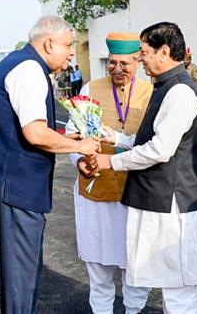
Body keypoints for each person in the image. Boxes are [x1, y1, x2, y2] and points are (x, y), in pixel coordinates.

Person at [0, 15, 101, 314]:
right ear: (48, 43)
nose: (71, 52)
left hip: (13, 184)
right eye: (68, 45)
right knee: (21, 276)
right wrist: (80, 146)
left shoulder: (19, 63)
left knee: (21, 272)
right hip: (17, 187)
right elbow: (35, 133)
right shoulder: (29, 70)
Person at [95, 22, 197, 313]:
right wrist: (116, 138)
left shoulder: (180, 92)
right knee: (170, 285)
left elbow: (160, 150)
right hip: (159, 201)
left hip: (172, 204)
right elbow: (153, 139)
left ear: (164, 52)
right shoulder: (166, 86)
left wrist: (111, 160)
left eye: (143, 52)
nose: (139, 59)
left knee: (178, 289)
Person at [67, 32, 152, 314]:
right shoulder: (90, 89)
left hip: (137, 192)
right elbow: (72, 134)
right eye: (112, 63)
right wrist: (79, 159)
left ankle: (134, 310)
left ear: (138, 61)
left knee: (136, 263)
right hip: (97, 190)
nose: (117, 69)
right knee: (99, 264)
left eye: (124, 64)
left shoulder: (152, 93)